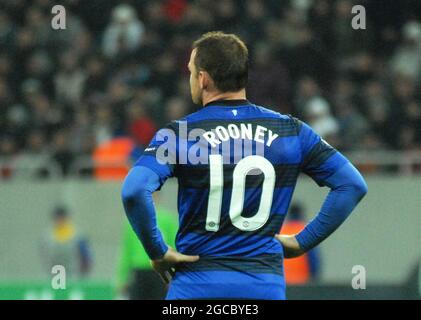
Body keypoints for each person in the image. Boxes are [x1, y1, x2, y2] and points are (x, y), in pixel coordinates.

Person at [121, 32, 368, 300]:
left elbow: (134, 191)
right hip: (264, 287)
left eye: (191, 71)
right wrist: (301, 242)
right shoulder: (290, 131)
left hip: (195, 287)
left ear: (203, 79)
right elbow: (352, 185)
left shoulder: (180, 134)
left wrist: (157, 251)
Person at [116, 197, 178, 300]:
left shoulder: (167, 219)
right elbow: (126, 251)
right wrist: (122, 278)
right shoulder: (133, 218)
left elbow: (174, 249)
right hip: (144, 272)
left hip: (157, 272)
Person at [40, 206, 92, 278]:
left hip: (73, 275)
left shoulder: (78, 235)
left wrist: (83, 275)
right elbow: (44, 256)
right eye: (58, 218)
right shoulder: (47, 237)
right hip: (53, 275)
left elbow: (86, 257)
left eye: (62, 218)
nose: (60, 220)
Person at [281, 202, 320, 285]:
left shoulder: (282, 231)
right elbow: (313, 260)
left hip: (284, 281)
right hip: (302, 282)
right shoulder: (305, 230)